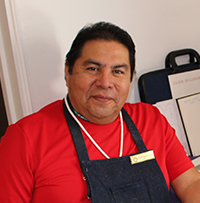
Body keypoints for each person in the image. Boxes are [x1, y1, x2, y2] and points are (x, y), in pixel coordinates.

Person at [0, 22, 200, 203]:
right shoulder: (25, 138)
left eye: (118, 71)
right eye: (93, 68)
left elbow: (190, 183)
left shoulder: (151, 119)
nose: (105, 83)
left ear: (130, 78)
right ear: (67, 72)